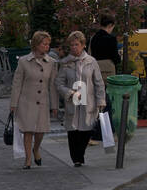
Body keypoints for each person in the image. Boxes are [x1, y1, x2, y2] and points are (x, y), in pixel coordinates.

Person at [9, 31, 59, 169]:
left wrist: (54, 105)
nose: (47, 47)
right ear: (36, 45)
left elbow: (53, 86)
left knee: (40, 131)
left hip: (43, 101)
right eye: (44, 44)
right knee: (28, 130)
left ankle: (36, 149)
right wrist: (14, 103)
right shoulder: (24, 61)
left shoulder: (51, 63)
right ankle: (28, 159)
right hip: (26, 101)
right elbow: (17, 83)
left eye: (48, 44)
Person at [57, 31, 106, 167]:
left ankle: (80, 153)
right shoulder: (65, 63)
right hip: (72, 100)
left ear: (83, 45)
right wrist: (69, 92)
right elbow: (59, 83)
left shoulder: (91, 61)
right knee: (73, 130)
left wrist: (101, 100)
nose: (74, 48)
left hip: (88, 100)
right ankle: (77, 158)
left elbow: (99, 82)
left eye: (77, 45)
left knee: (87, 128)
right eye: (72, 45)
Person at [89, 14, 120, 81]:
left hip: (95, 67)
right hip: (108, 69)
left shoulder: (93, 38)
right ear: (110, 25)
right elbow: (115, 57)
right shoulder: (111, 38)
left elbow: (90, 53)